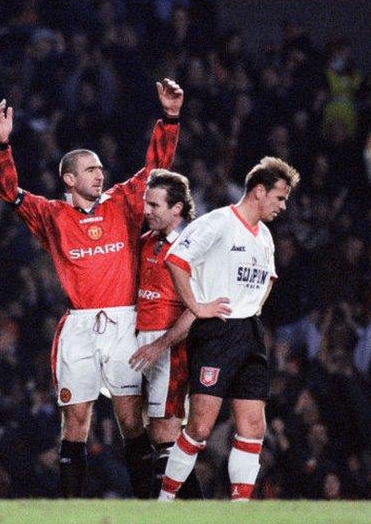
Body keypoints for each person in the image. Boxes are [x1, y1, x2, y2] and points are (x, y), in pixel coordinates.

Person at [0, 79, 183, 498]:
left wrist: (169, 118)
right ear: (70, 178)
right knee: (75, 421)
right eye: (91, 170)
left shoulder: (124, 202)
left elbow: (155, 170)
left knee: (131, 419)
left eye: (100, 169)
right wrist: (2, 147)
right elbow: (8, 192)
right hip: (78, 326)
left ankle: (147, 505)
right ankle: (70, 508)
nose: (100, 174)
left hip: (124, 323)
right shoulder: (52, 215)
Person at [158, 156, 300, 502]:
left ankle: (238, 511)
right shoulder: (219, 222)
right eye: (280, 197)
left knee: (253, 426)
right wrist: (197, 306)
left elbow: (268, 279)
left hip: (250, 333)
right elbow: (176, 259)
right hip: (216, 332)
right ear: (259, 191)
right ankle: (163, 504)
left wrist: (252, 307)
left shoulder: (264, 236)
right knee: (200, 427)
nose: (283, 206)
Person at [127, 168, 206, 498]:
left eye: (155, 205)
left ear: (177, 209)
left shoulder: (194, 247)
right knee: (148, 432)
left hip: (173, 348)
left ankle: (176, 509)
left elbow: (196, 308)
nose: (147, 210)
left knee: (166, 432)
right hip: (142, 344)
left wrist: (161, 344)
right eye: (146, 203)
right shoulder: (146, 243)